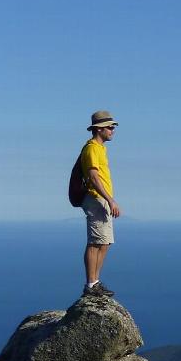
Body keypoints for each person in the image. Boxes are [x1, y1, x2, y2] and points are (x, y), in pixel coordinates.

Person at [80, 110, 122, 296]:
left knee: (104, 242)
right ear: (99, 129)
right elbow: (94, 177)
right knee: (95, 242)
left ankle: (95, 282)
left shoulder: (100, 149)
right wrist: (109, 199)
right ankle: (90, 285)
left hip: (101, 200)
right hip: (96, 198)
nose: (112, 130)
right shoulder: (91, 149)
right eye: (109, 127)